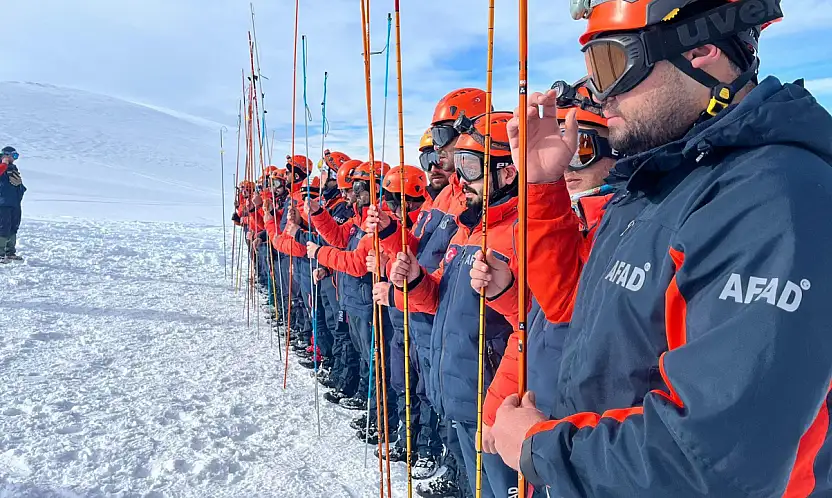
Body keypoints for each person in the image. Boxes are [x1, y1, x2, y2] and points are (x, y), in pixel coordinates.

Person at [490, 1, 832, 497]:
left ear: (702, 49)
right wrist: (542, 187)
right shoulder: (656, 186)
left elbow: (713, 462)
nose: (599, 95)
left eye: (611, 63)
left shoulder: (771, 197)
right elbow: (574, 308)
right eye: (592, 70)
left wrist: (540, 447)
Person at [388, 112, 520, 498]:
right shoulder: (469, 228)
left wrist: (496, 410)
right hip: (460, 395)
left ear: (507, 172)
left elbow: (535, 327)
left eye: (470, 166)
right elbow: (438, 303)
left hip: (493, 402)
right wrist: (414, 281)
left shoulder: (520, 233)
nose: (459, 180)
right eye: (456, 165)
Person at [0, 146, 26, 263]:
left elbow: (18, 185)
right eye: (13, 156)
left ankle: (10, 252)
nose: (15, 159)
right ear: (6, 155)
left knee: (13, 227)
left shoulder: (13, 168)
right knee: (3, 227)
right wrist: (4, 164)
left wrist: (20, 187)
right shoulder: (2, 166)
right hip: (3, 203)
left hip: (14, 203)